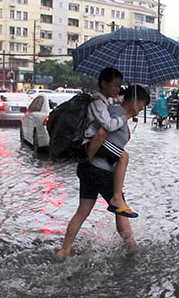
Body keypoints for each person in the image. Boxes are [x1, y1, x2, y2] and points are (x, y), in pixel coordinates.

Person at [56, 85, 151, 257]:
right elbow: (101, 134)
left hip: (88, 169)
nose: (143, 108)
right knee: (121, 209)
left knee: (82, 211)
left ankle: (64, 250)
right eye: (143, 104)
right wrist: (91, 157)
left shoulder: (118, 114)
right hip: (100, 170)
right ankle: (132, 250)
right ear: (134, 101)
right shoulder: (116, 113)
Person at [83, 68, 137, 217]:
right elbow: (108, 126)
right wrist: (126, 116)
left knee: (82, 212)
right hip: (92, 142)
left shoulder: (106, 101)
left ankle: (67, 242)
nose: (118, 89)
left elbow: (116, 101)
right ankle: (117, 197)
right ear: (103, 84)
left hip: (97, 144)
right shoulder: (98, 103)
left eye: (120, 86)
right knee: (123, 156)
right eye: (115, 85)